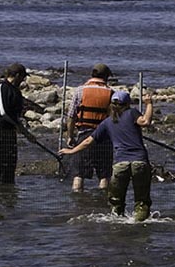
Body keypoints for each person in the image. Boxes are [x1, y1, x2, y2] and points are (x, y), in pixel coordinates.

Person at [59, 90, 154, 221]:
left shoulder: (107, 122)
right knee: (141, 201)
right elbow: (145, 121)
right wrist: (149, 104)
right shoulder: (132, 113)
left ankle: (116, 229)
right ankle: (139, 227)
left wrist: (71, 151)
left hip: (120, 164)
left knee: (116, 203)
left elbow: (87, 141)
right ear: (127, 104)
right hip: (140, 161)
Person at [65, 63, 114, 192]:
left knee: (79, 174)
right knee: (104, 175)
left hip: (84, 135)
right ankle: (102, 204)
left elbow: (71, 116)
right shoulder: (111, 93)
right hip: (104, 137)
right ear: (106, 77)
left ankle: (78, 203)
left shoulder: (80, 90)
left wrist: (70, 136)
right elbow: (114, 118)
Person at [0, 63, 29, 185]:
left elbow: (15, 114)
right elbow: (4, 112)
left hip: (11, 133)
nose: (23, 81)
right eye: (23, 77)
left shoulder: (16, 91)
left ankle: (8, 195)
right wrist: (20, 127)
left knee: (9, 167)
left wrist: (20, 127)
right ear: (17, 75)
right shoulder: (2, 88)